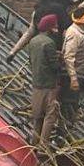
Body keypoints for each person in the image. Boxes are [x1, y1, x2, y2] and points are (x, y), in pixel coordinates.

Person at [6, 0, 84, 61]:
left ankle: (13, 51)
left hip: (39, 10)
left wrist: (69, 1)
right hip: (58, 12)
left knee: (30, 32)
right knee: (65, 33)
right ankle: (62, 56)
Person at [28, 13, 62, 148]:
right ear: (49, 28)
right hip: (49, 85)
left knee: (37, 116)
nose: (57, 28)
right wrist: (61, 60)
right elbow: (54, 66)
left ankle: (34, 144)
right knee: (50, 115)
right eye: (55, 26)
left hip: (36, 83)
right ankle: (43, 147)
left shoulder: (33, 41)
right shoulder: (49, 43)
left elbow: (32, 60)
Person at [60, 6, 84, 130]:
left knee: (71, 105)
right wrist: (73, 78)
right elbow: (68, 56)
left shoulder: (74, 31)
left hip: (74, 74)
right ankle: (63, 133)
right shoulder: (75, 34)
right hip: (72, 75)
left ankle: (65, 130)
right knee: (69, 106)